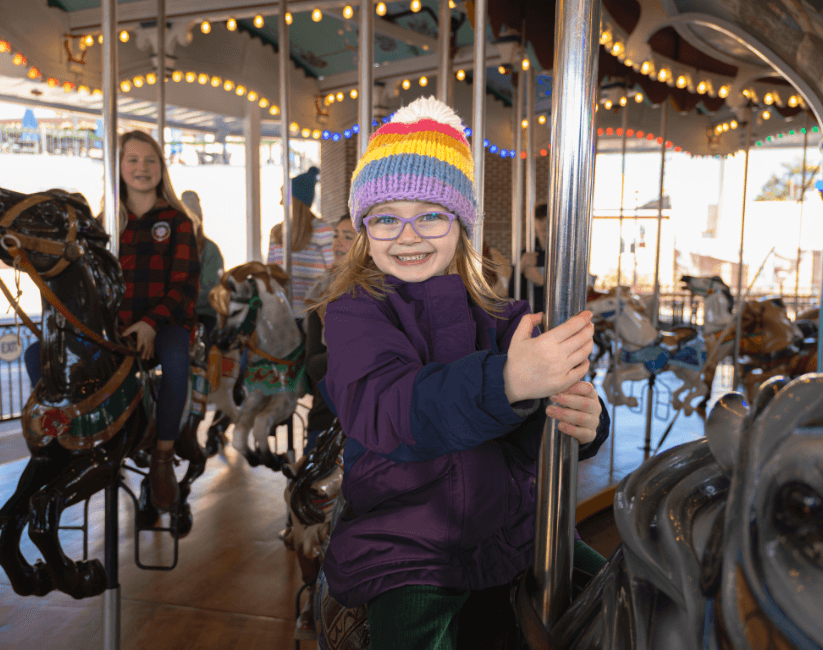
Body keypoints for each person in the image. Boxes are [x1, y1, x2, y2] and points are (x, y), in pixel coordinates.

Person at [311, 98, 609, 649]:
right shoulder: (355, 315)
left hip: (515, 533)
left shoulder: (504, 317)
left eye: (430, 213)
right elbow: (393, 412)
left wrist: (581, 421)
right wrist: (507, 382)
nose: (407, 234)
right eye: (385, 217)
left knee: (630, 604)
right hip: (407, 545)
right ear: (363, 228)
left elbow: (532, 440)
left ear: (461, 223)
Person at [302, 213, 357, 454]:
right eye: (336, 236)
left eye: (348, 237)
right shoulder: (320, 293)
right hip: (329, 407)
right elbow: (313, 363)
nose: (337, 243)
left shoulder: (382, 291)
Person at [266, 166, 333, 322]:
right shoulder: (276, 232)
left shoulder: (323, 230)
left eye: (284, 197)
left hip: (313, 313)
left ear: (296, 201)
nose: (281, 202)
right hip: (283, 313)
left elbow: (332, 272)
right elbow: (270, 273)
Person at [181, 190, 225, 345]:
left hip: (202, 313)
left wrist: (182, 300)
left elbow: (212, 290)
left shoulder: (210, 250)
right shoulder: (172, 248)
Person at [508, 202, 548, 314]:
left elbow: (569, 292)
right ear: (535, 223)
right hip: (530, 316)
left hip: (553, 317)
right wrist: (520, 267)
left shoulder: (562, 255)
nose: (544, 223)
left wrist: (541, 281)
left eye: (547, 218)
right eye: (540, 219)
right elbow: (511, 293)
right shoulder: (526, 254)